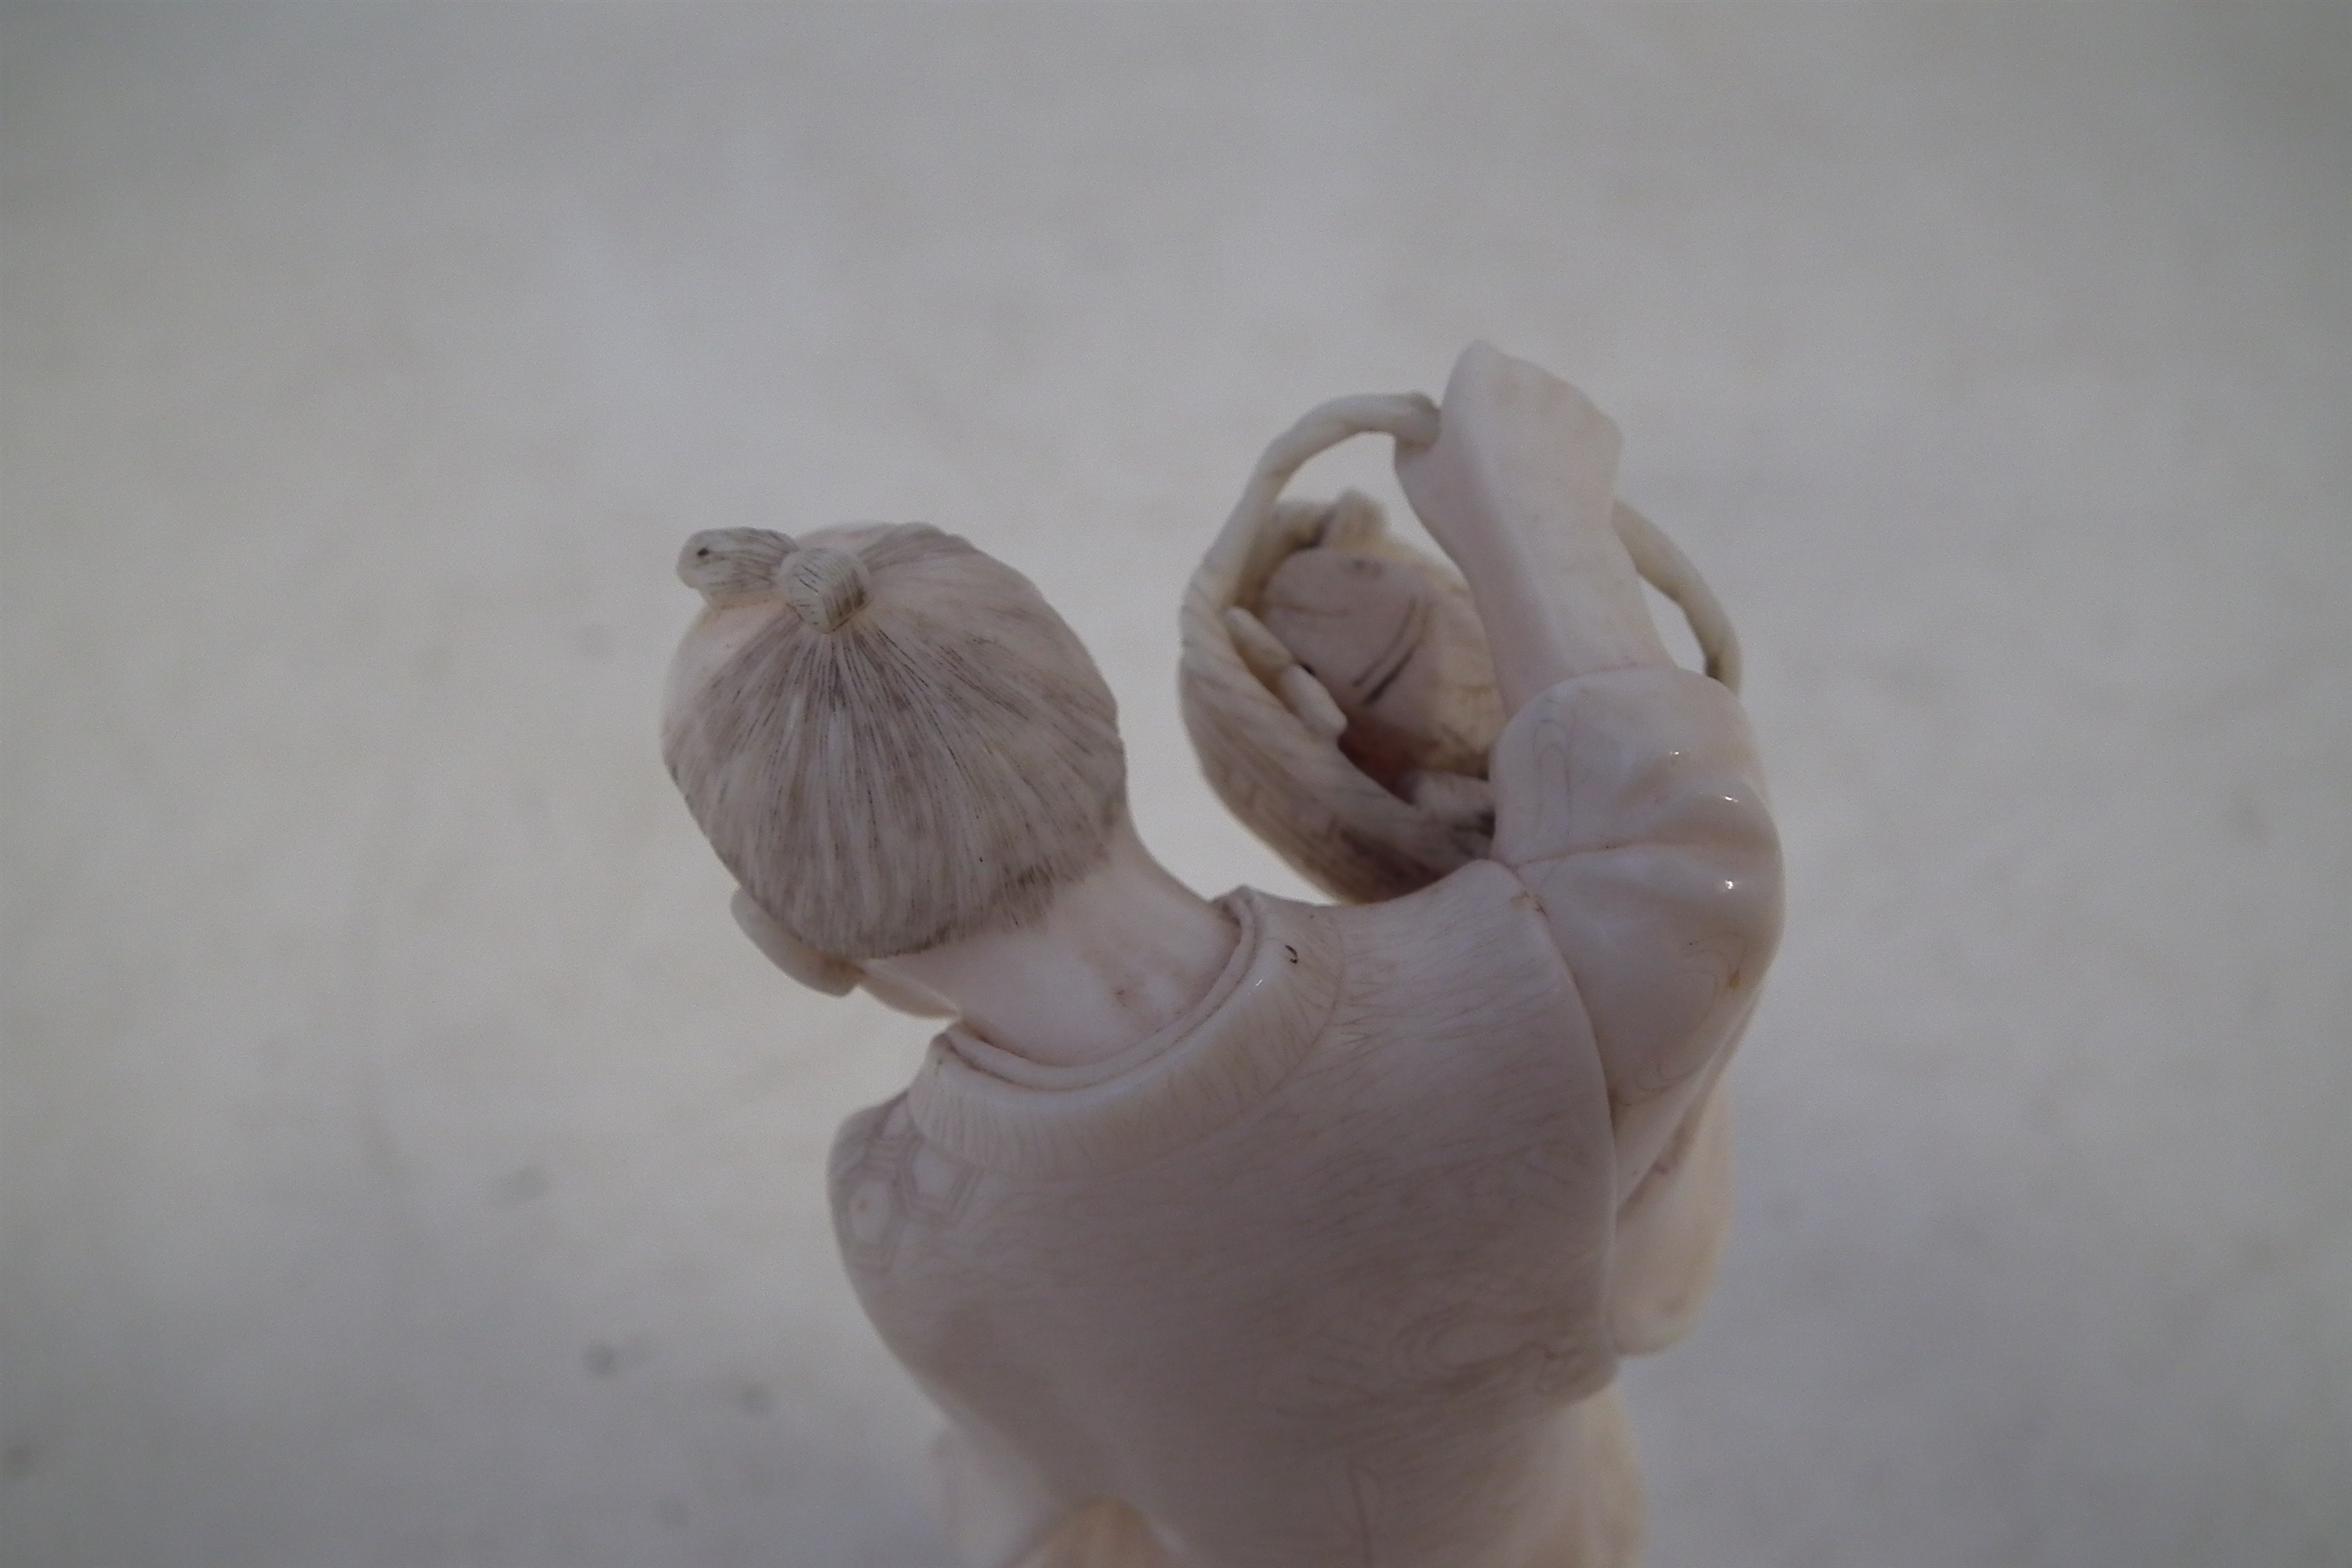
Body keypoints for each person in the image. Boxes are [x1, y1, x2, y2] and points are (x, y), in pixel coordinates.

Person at [660, 345, 1782, 1568]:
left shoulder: (902, 1218)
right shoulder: (1520, 1000)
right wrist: (1530, 510)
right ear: (1098, 720)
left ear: (798, 948)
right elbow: (1681, 855)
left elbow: (1036, 1496)